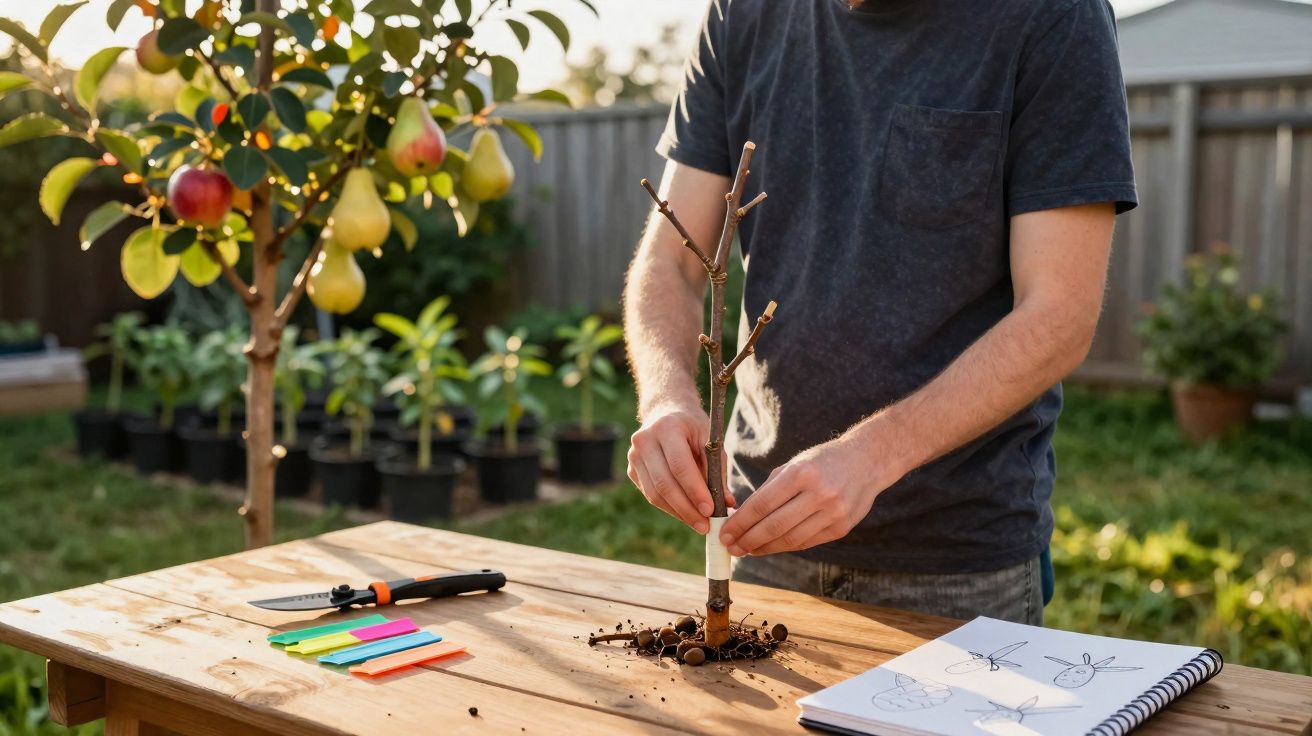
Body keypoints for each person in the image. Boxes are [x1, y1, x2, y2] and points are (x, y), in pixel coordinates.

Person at [622, 0, 1137, 625]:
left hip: (955, 562)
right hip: (761, 531)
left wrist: (872, 456)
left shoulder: (1054, 17)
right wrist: (667, 396)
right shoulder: (742, 13)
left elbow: (1058, 315)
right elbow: (673, 260)